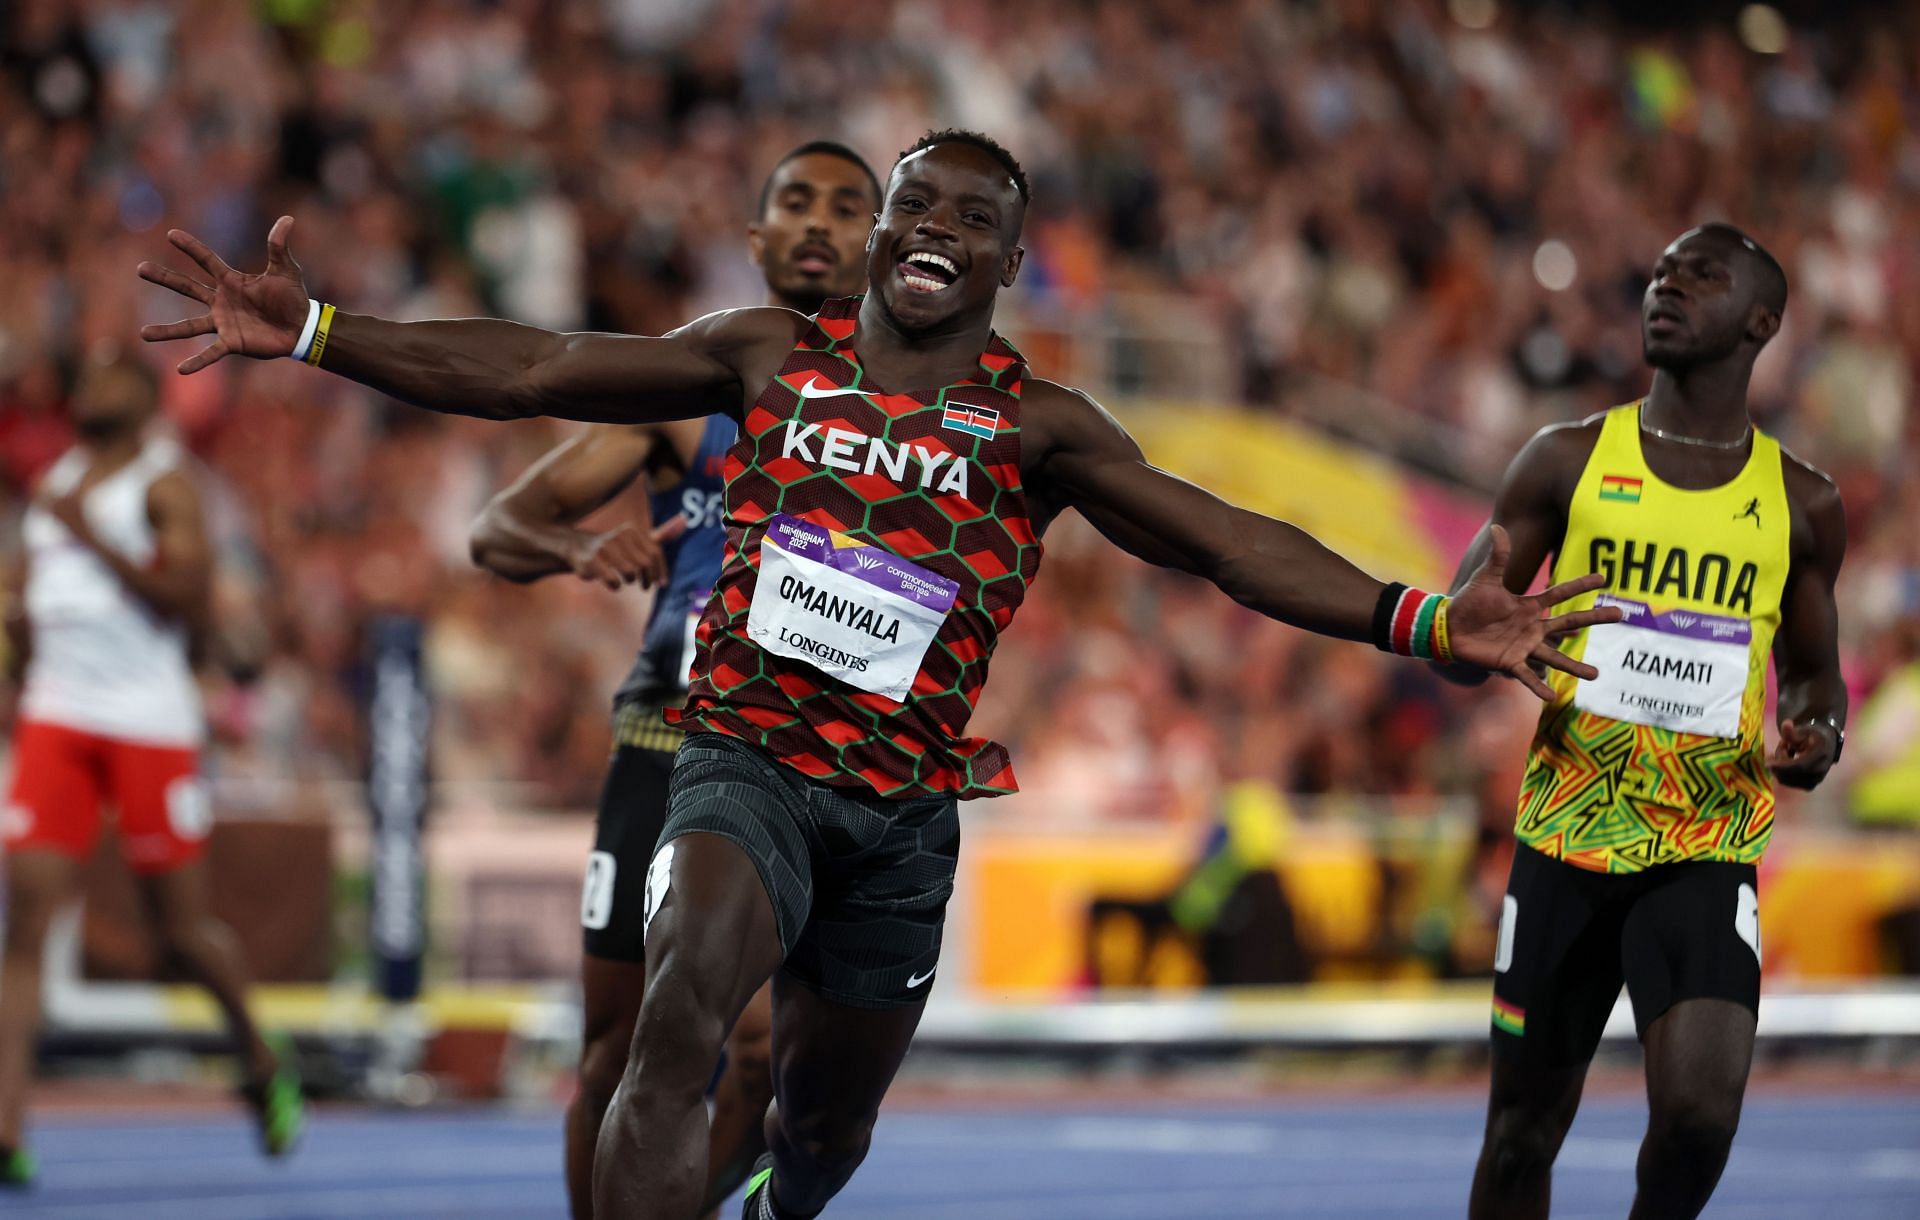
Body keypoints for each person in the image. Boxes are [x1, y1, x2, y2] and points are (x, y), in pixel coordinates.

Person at [139, 128, 1618, 1220]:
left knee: (825, 1124)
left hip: (901, 815)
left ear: (1007, 262)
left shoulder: (1041, 427)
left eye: (973, 218)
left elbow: (1225, 544)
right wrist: (323, 334)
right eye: (917, 204)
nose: (935, 229)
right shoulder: (769, 354)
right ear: (882, 232)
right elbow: (535, 370)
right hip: (739, 761)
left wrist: (1422, 619)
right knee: (678, 1016)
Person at [466, 142, 878, 1220]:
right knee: (613, 1046)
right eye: (797, 201)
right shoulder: (683, 399)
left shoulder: (902, 427)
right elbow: (499, 527)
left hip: (793, 762)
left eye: (848, 206)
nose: (821, 222)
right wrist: (581, 551)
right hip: (660, 747)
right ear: (756, 240)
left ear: (880, 247)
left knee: (754, 1051)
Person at [1439, 224, 1847, 1220]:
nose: (1666, 288)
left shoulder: (1800, 503)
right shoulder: (1565, 459)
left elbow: (1816, 678)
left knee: (1701, 1119)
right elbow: (1459, 630)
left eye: (1699, 276)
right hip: (1567, 836)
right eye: (1662, 274)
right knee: (1520, 1135)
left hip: (1708, 839)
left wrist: (1815, 734)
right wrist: (1477, 633)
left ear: (1762, 321)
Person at [0, 349, 302, 1188]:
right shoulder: (52, 484)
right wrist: (19, 632)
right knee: (23, 925)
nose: (87, 386)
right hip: (57, 716)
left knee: (178, 935)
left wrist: (91, 534)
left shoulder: (165, 485)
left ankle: (259, 1056)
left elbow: (191, 601)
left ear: (140, 401)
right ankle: (6, 1127)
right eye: (84, 375)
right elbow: (24, 597)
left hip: (148, 723)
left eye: (106, 378)